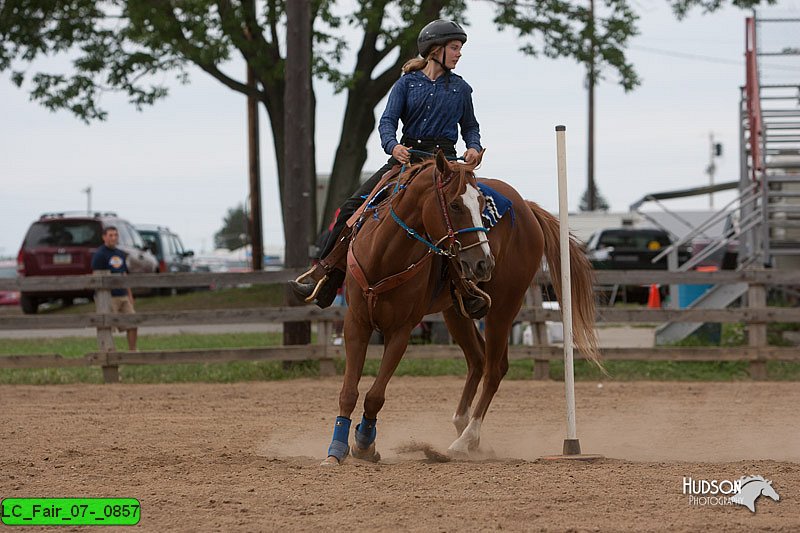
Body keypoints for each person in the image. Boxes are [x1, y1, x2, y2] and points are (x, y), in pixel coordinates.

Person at [291, 19, 483, 308]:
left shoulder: (462, 89)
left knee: (466, 217)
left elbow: (470, 126)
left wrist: (473, 147)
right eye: (454, 48)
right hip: (408, 161)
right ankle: (325, 275)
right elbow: (387, 122)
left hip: (445, 165)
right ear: (435, 50)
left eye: (459, 49)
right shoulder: (406, 84)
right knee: (351, 209)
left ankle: (466, 288)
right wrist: (393, 147)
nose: (459, 54)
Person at [91, 226, 137, 351]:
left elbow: (124, 275)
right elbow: (96, 276)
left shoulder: (120, 254)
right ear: (104, 237)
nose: (113, 238)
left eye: (115, 235)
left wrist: (129, 295)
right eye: (110, 235)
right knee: (107, 325)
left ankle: (132, 350)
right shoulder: (100, 254)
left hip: (122, 295)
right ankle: (109, 351)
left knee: (133, 321)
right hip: (108, 296)